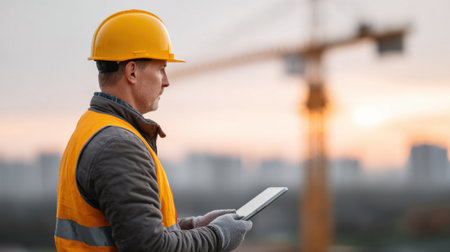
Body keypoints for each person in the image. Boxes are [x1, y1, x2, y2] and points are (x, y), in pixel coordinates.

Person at [54, 9, 252, 252]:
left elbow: (132, 231)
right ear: (132, 72)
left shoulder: (95, 126)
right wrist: (217, 236)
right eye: (161, 69)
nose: (166, 81)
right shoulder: (118, 145)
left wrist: (194, 226)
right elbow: (150, 247)